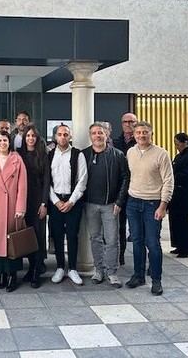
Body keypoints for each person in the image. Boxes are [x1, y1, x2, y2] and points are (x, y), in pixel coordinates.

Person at [125, 121, 173, 296]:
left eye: (145, 132)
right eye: (138, 132)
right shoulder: (130, 153)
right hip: (133, 202)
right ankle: (138, 275)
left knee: (152, 243)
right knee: (137, 241)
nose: (141, 135)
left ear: (151, 134)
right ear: (134, 135)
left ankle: (156, 280)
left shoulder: (161, 154)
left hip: (153, 204)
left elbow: (168, 181)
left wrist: (163, 205)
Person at [82, 122, 129, 288]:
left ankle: (112, 272)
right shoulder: (84, 155)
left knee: (112, 240)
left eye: (100, 133)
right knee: (95, 238)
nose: (97, 136)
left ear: (106, 135)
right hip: (90, 204)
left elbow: (125, 178)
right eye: (94, 133)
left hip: (111, 205)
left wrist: (119, 201)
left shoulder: (118, 155)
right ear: (90, 136)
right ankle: (99, 270)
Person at [0, 130, 27, 292]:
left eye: (5, 140)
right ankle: (2, 273)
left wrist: (20, 208)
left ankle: (13, 275)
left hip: (11, 207)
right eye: (0, 140)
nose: (2, 143)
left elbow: (22, 186)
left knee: (11, 242)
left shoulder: (17, 160)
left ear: (9, 142)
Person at [48, 124, 88, 285]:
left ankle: (72, 269)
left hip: (73, 202)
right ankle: (59, 267)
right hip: (55, 201)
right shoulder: (49, 155)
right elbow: (46, 181)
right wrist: (56, 201)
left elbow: (82, 179)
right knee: (57, 235)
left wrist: (71, 201)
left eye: (66, 134)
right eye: (60, 134)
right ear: (55, 137)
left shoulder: (78, 155)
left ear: (70, 137)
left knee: (72, 235)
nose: (63, 137)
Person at [17, 124, 49, 288]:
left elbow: (47, 182)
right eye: (28, 136)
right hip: (23, 200)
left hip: (38, 200)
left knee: (38, 235)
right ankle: (31, 267)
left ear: (37, 138)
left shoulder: (43, 155)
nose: (30, 138)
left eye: (33, 136)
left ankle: (37, 269)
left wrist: (44, 203)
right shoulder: (18, 155)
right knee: (27, 236)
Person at [114, 112, 137, 266]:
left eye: (132, 122)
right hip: (121, 189)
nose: (128, 124)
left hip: (137, 189)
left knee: (138, 230)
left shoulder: (140, 141)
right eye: (125, 122)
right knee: (120, 226)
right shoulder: (115, 142)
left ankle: (141, 260)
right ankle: (120, 255)